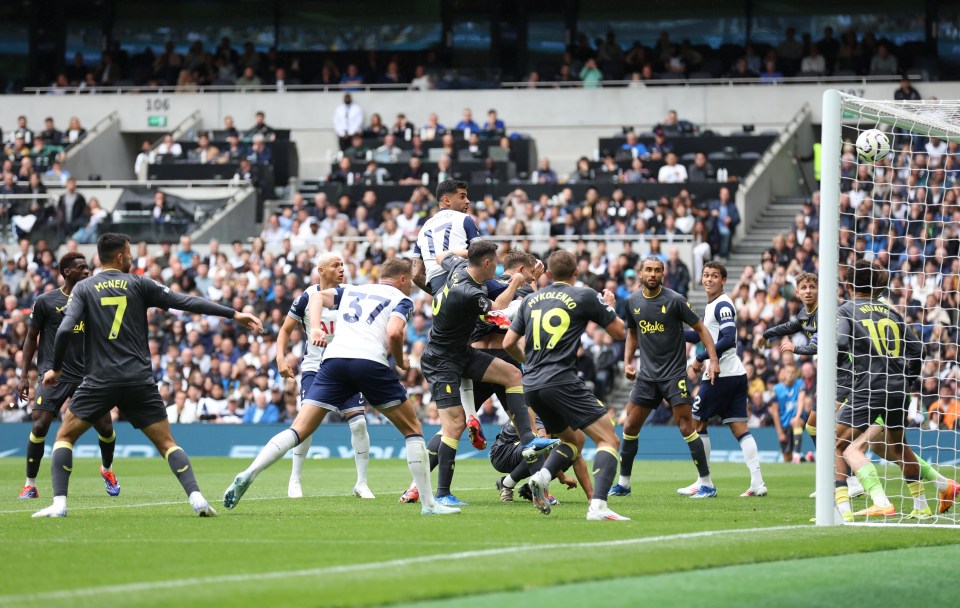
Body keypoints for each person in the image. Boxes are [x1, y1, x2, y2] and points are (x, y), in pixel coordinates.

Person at [31, 232, 263, 518]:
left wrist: (54, 368)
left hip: (99, 380)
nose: (132, 258)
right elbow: (186, 302)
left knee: (64, 437)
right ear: (119, 256)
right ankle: (198, 499)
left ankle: (59, 505)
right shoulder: (139, 284)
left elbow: (65, 329)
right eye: (129, 253)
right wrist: (233, 314)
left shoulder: (84, 289)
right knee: (167, 443)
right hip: (139, 380)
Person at [223, 259, 460, 516]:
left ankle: (250, 472)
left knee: (298, 429)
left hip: (333, 361)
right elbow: (393, 333)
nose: (414, 288)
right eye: (412, 282)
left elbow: (316, 299)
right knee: (413, 430)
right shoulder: (401, 299)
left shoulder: (352, 289)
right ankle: (429, 504)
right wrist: (401, 359)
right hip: (369, 361)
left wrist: (314, 327)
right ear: (402, 279)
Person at [503, 250, 629, 520]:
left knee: (573, 440)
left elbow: (507, 344)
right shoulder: (583, 294)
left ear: (548, 273)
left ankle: (542, 477)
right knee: (609, 439)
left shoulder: (530, 300)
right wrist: (608, 304)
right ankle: (598, 506)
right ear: (576, 273)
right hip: (561, 380)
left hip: (533, 385)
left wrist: (530, 364)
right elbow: (619, 332)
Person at [410, 241, 537, 507]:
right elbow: (497, 309)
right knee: (454, 426)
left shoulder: (458, 266)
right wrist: (514, 283)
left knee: (513, 375)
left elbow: (441, 254)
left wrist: (469, 253)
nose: (499, 270)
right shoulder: (470, 291)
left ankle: (528, 441)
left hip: (462, 353)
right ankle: (442, 492)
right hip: (442, 360)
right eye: (496, 263)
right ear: (488, 263)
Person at [608, 257, 719, 499]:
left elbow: (701, 329)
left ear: (663, 274)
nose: (653, 274)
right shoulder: (632, 302)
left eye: (658, 270)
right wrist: (628, 362)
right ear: (640, 274)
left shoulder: (675, 300)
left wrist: (713, 360)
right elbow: (632, 333)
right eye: (648, 270)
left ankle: (707, 483)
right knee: (629, 426)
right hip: (646, 376)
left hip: (673, 375)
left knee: (686, 427)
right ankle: (624, 483)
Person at [17, 253, 120, 500]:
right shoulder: (45, 301)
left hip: (88, 374)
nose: (87, 271)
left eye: (87, 267)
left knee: (106, 428)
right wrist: (24, 376)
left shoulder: (95, 299)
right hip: (54, 374)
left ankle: (106, 470)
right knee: (40, 424)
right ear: (66, 272)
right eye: (81, 267)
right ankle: (30, 485)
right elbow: (31, 337)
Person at [276, 252, 374, 499]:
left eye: (342, 264)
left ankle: (361, 483)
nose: (342, 268)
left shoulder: (351, 293)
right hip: (315, 368)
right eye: (335, 265)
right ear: (321, 271)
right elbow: (285, 330)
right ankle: (295, 480)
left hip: (346, 367)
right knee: (306, 426)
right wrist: (280, 357)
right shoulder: (307, 297)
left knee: (359, 424)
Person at [837, 260, 923, 518]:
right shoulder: (892, 312)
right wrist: (908, 381)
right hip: (898, 389)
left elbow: (840, 341)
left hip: (868, 387)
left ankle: (844, 510)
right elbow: (918, 350)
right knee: (900, 447)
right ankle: (921, 507)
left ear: (849, 285)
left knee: (836, 445)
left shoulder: (846, 310)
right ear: (877, 286)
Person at [683, 262, 767, 496]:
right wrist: (671, 331)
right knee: (740, 428)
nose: (709, 279)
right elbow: (704, 335)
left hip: (721, 375)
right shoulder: (713, 306)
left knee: (697, 424)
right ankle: (758, 483)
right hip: (735, 374)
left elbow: (729, 338)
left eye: (714, 276)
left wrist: (700, 357)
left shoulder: (723, 305)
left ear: (724, 280)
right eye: (706, 275)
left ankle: (704, 482)